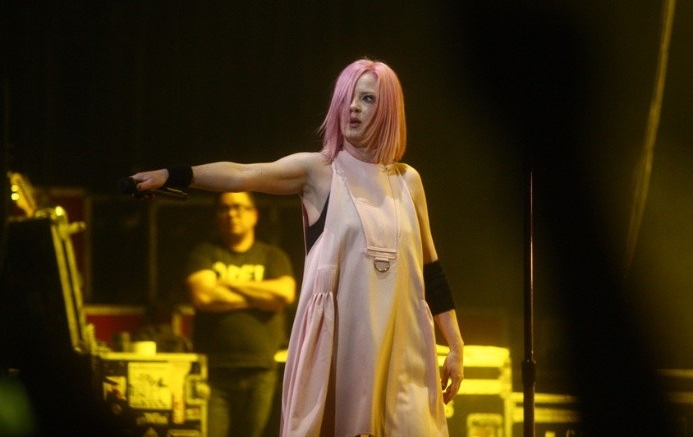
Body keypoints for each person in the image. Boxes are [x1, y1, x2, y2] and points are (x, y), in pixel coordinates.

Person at [131, 58, 465, 437]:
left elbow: (431, 270)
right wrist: (173, 175)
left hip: (402, 346)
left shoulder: (408, 181)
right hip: (343, 346)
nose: (353, 107)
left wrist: (455, 345)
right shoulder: (320, 172)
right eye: (347, 98)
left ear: (388, 110)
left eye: (367, 99)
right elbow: (243, 174)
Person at [184, 191, 296, 437]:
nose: (231, 214)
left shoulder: (272, 256)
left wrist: (225, 282)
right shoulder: (204, 253)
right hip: (214, 372)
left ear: (254, 215)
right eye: (224, 209)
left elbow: (284, 294)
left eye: (239, 207)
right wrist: (260, 298)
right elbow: (203, 296)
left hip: (261, 371)